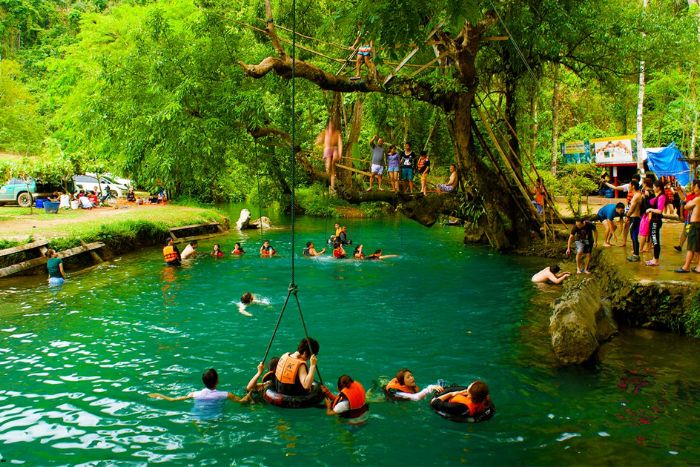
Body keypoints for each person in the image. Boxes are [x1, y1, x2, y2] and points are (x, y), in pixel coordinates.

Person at [148, 368, 243, 413]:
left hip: (197, 417)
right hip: (215, 417)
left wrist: (158, 395)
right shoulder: (226, 395)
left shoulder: (194, 394)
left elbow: (172, 400)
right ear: (217, 380)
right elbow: (243, 401)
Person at [316, 103, 343, 193]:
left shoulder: (337, 133)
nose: (331, 126)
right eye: (329, 125)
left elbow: (340, 144)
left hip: (334, 150)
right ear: (328, 126)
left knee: (334, 159)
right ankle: (330, 187)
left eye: (332, 125)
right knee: (329, 169)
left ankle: (332, 187)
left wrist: (340, 153)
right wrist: (318, 143)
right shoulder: (325, 132)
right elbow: (318, 141)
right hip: (327, 151)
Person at [675, 181, 700, 273]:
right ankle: (698, 267)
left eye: (695, 186)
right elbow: (685, 200)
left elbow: (686, 206)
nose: (694, 188)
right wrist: (680, 192)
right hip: (697, 224)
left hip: (694, 224)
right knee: (697, 247)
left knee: (691, 247)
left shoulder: (697, 199)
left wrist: (688, 204)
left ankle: (686, 267)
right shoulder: (695, 197)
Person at [645, 180, 667, 267]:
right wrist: (646, 196)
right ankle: (654, 258)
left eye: (654, 187)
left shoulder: (662, 197)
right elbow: (650, 202)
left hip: (656, 221)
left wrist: (650, 209)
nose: (653, 188)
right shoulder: (657, 196)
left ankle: (656, 260)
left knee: (655, 240)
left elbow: (660, 210)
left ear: (658, 188)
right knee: (654, 240)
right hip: (653, 220)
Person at [674, 183, 695, 252]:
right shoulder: (691, 195)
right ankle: (680, 246)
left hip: (692, 220)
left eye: (692, 185)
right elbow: (684, 199)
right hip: (689, 219)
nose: (691, 186)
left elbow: (685, 201)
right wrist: (679, 191)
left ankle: (692, 251)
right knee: (685, 232)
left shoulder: (696, 196)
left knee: (689, 233)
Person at [626, 181, 643, 262]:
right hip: (636, 217)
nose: (628, 187)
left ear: (633, 186)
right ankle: (635, 254)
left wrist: (627, 215)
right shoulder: (638, 194)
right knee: (634, 236)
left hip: (635, 217)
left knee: (633, 236)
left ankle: (636, 255)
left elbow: (632, 208)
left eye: (629, 185)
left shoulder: (636, 196)